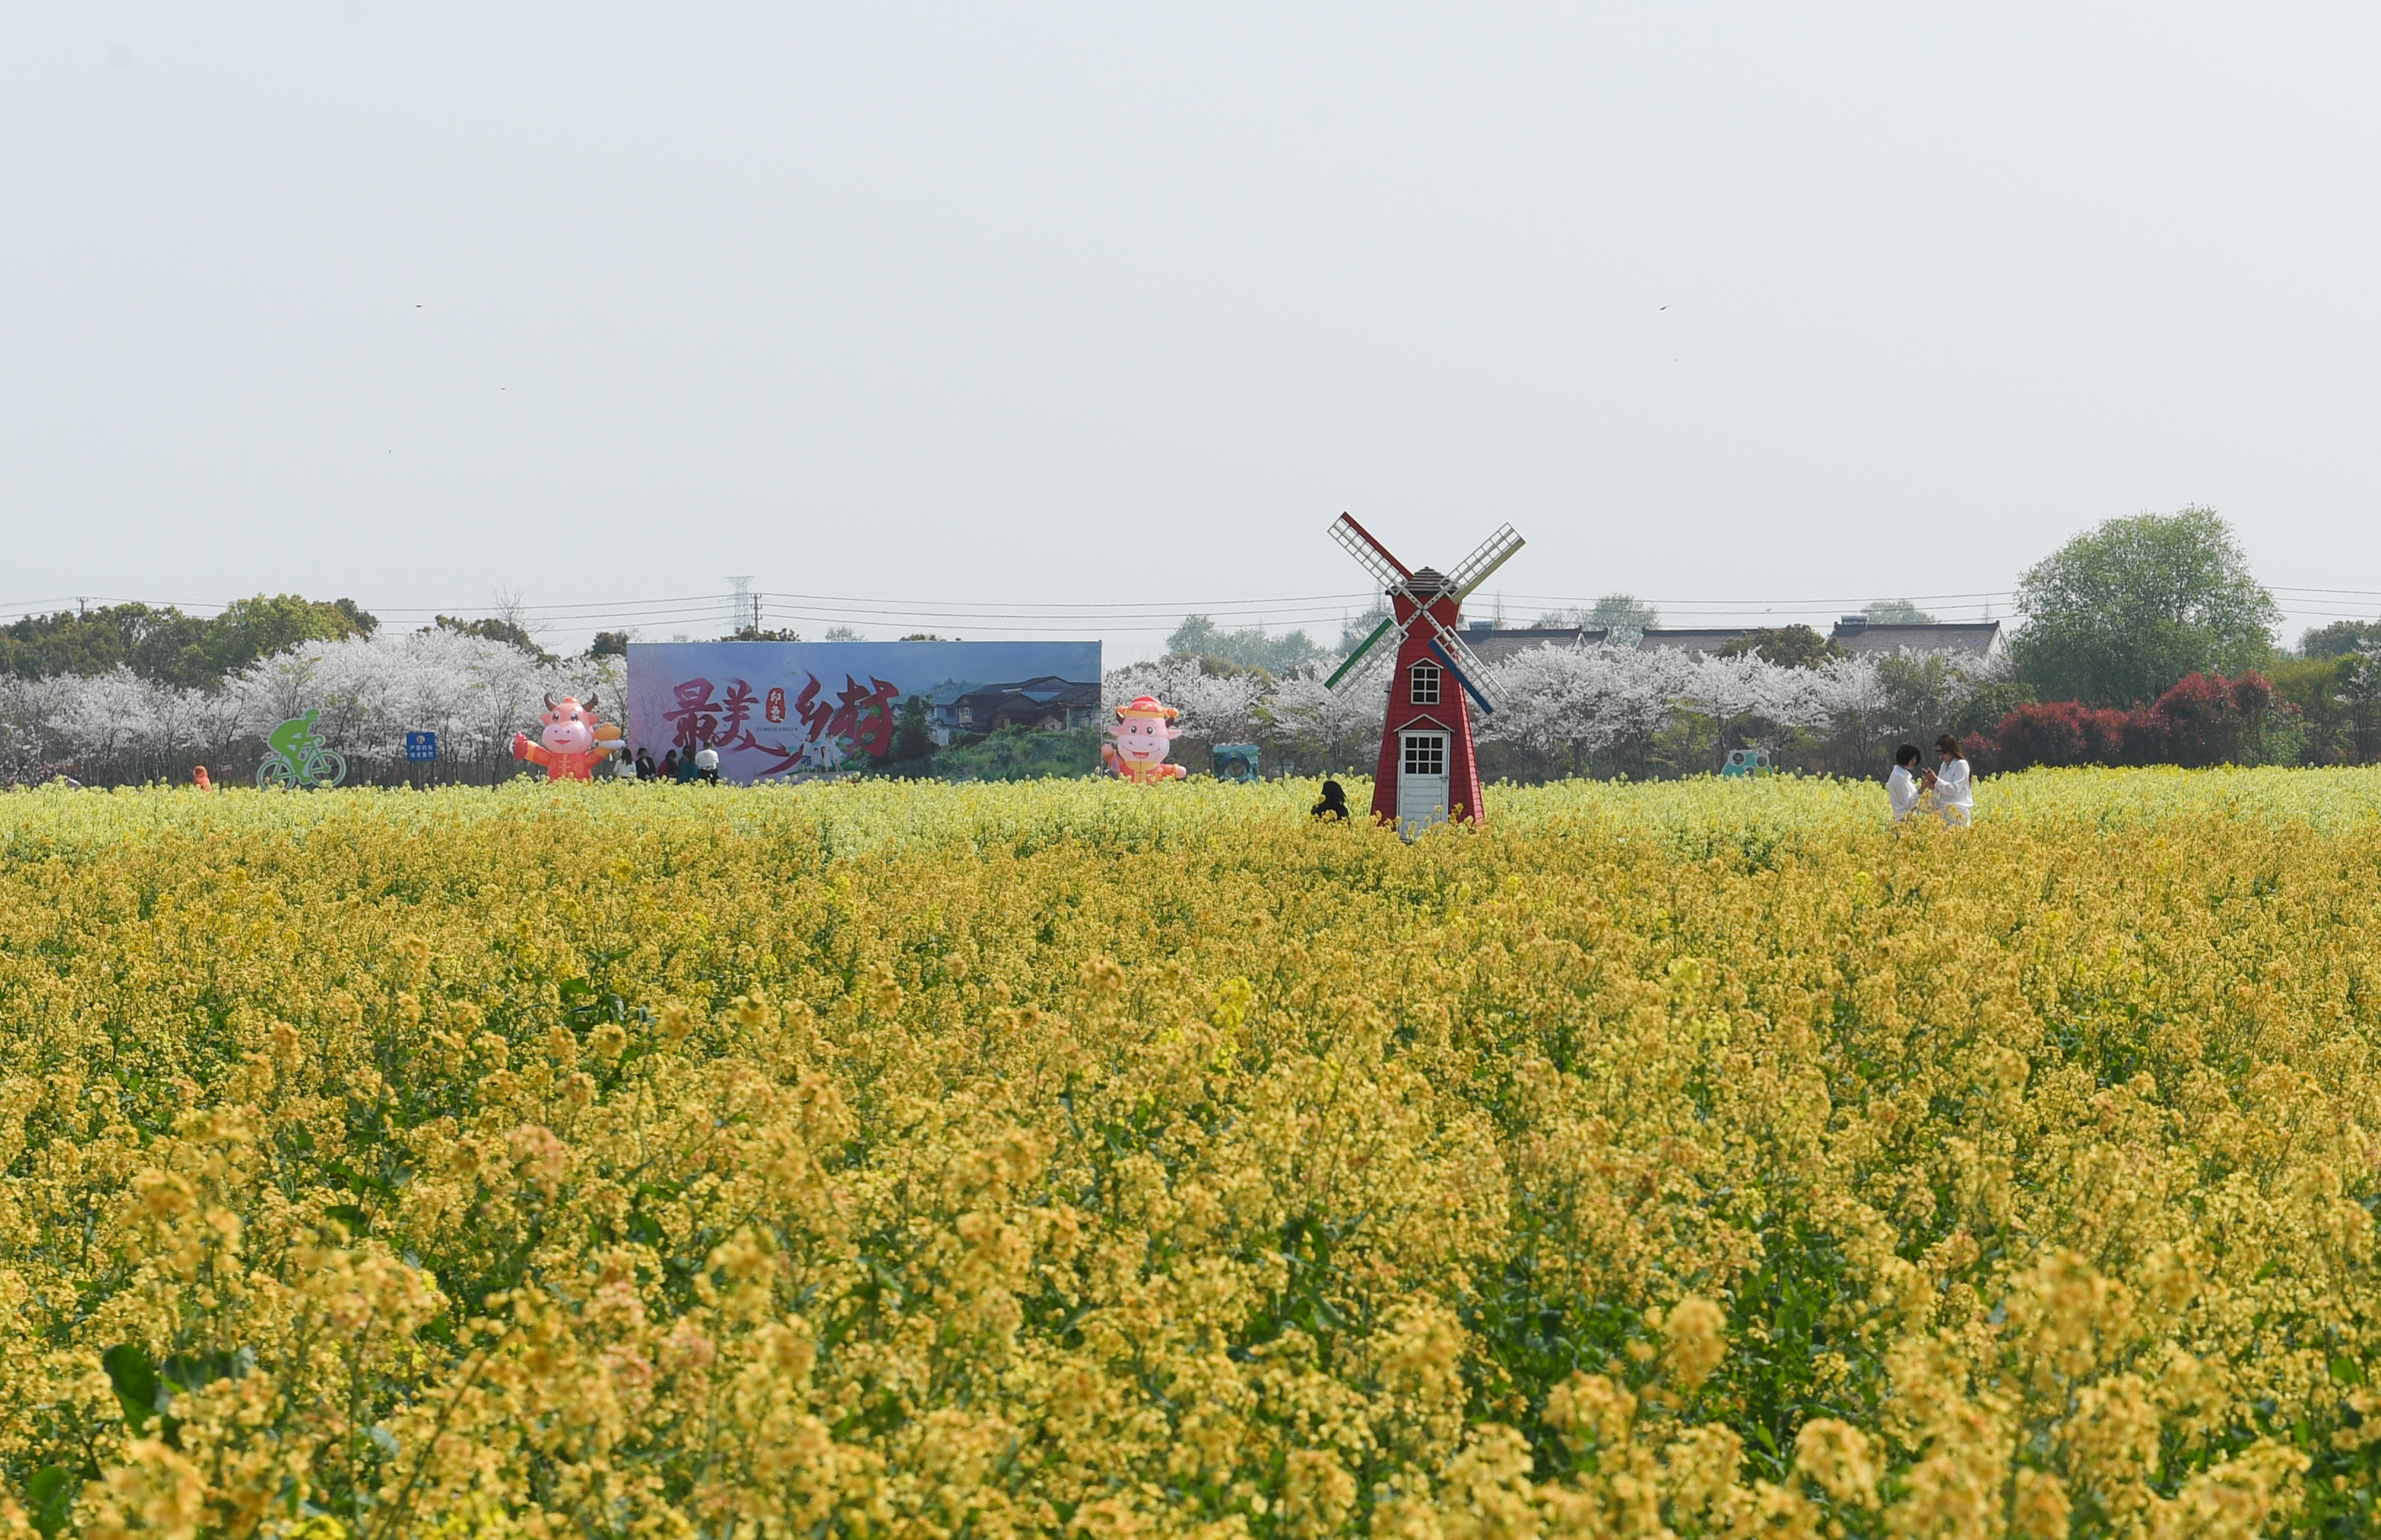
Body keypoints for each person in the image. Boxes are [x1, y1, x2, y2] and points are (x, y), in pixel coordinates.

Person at [1927, 734, 1974, 826]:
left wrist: (1936, 780)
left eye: (1943, 752)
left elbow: (1955, 790)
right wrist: (1933, 785)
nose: (1941, 756)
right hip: (1943, 812)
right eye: (1938, 753)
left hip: (1958, 813)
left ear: (1951, 749)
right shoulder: (1944, 766)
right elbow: (1940, 788)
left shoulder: (1961, 764)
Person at [1887, 744, 1923, 821]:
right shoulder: (1899, 777)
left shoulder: (1902, 776)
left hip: (1908, 820)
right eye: (1912, 759)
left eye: (1916, 759)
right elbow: (1908, 804)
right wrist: (1922, 789)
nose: (1914, 762)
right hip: (1904, 822)